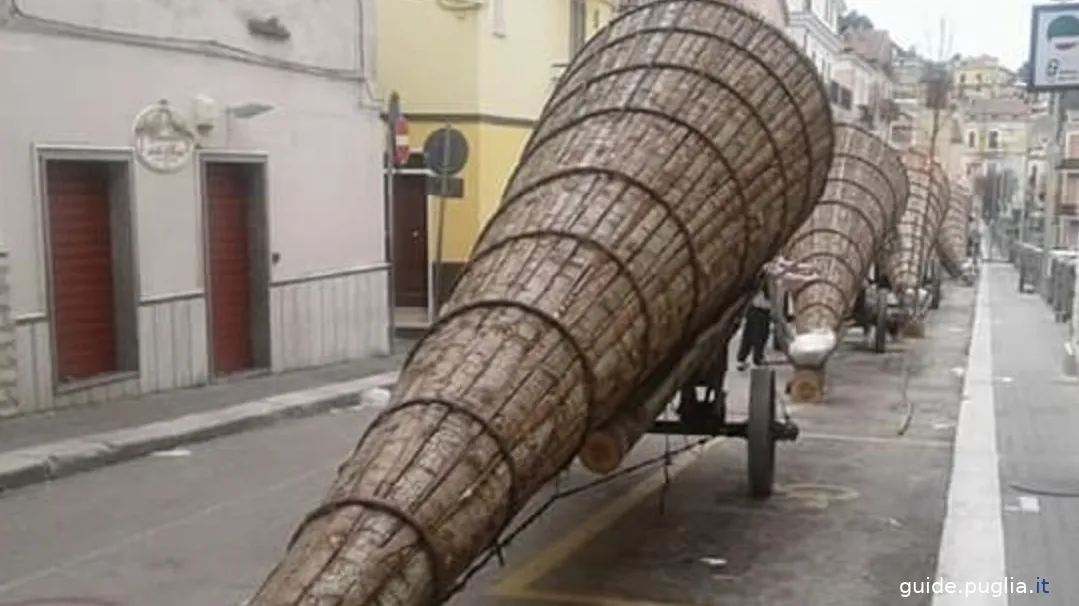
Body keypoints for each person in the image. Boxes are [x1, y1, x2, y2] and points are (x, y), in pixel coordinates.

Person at [736, 279, 772, 370]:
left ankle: (745, 358)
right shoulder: (761, 282)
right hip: (757, 309)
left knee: (756, 334)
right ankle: (755, 358)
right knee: (756, 335)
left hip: (761, 310)